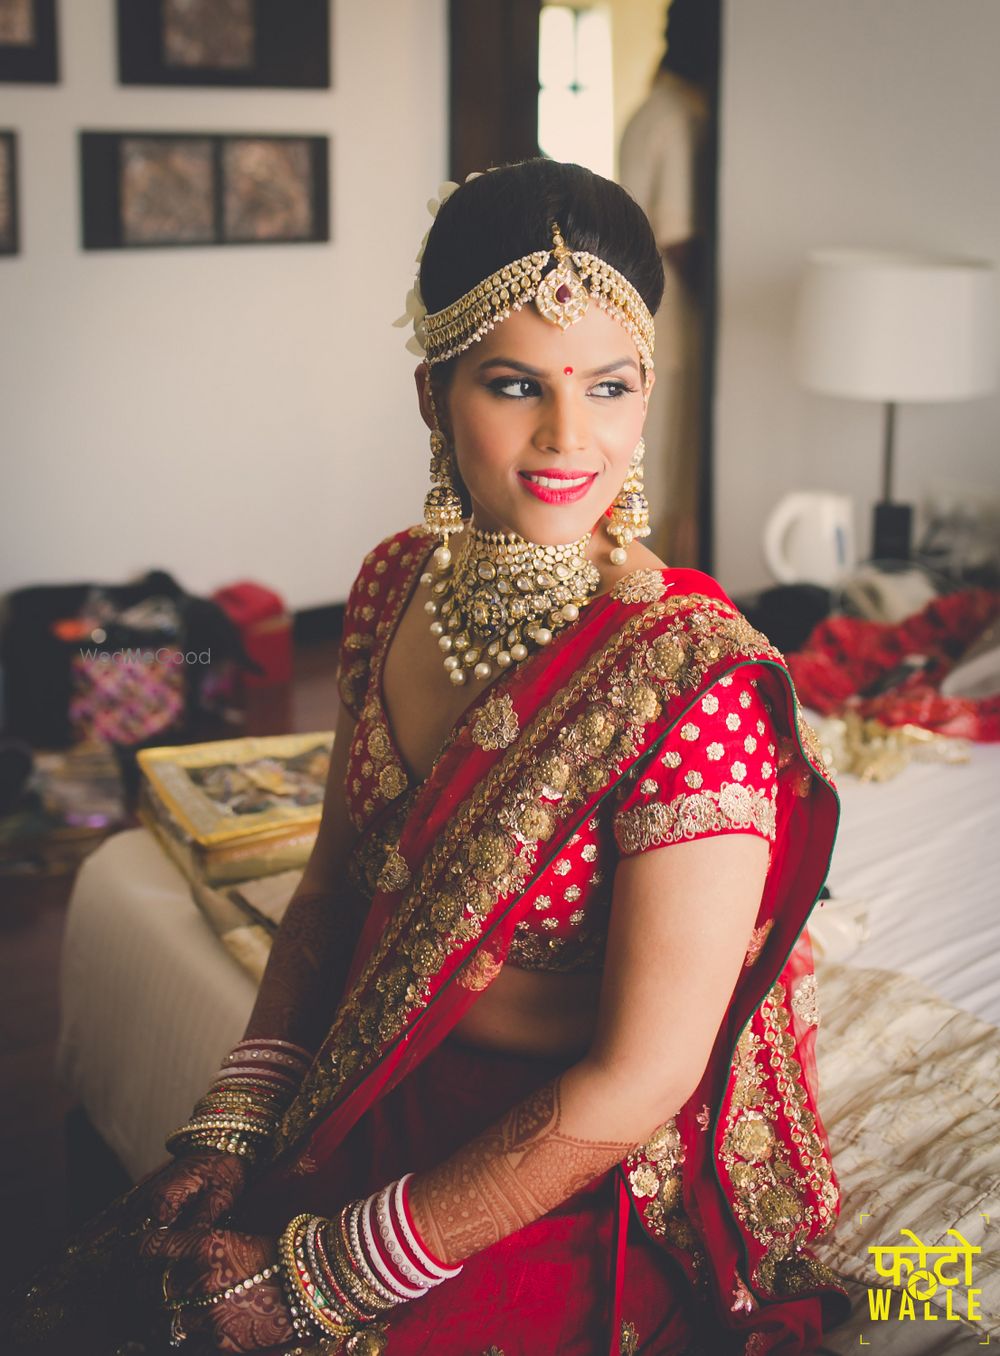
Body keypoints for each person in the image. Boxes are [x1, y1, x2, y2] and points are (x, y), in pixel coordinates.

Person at [7, 159, 848, 1355]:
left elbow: (641, 1079)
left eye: (608, 387)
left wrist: (320, 1279)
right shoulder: (393, 585)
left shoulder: (688, 680)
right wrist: (236, 1115)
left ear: (646, 394)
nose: (570, 438)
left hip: (556, 1153)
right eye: (514, 385)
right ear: (432, 395)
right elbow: (330, 885)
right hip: (369, 1066)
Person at [619, 0, 715, 569]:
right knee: (663, 472)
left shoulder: (649, 109)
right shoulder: (678, 116)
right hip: (671, 316)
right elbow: (678, 235)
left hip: (645, 309)